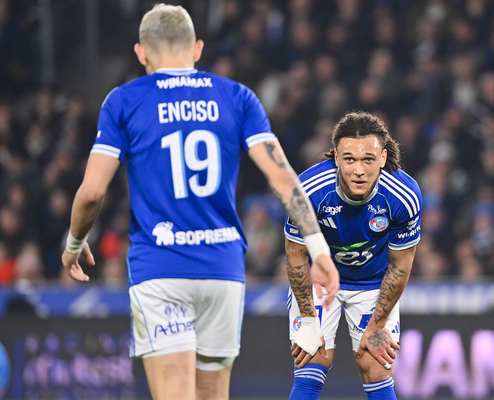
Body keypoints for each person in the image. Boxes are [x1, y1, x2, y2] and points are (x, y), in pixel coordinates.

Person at [61, 4, 339, 400]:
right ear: (197, 49)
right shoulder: (237, 97)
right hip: (222, 268)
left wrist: (74, 242)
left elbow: (91, 193)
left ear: (141, 52)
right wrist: (319, 249)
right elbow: (282, 177)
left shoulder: (124, 101)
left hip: (161, 268)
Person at [285, 111, 421, 400]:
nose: (359, 170)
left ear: (383, 158)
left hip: (374, 283)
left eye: (368, 160)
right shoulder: (306, 191)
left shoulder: (403, 196)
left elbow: (401, 265)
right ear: (336, 158)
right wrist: (308, 320)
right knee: (311, 360)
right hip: (321, 280)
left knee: (376, 367)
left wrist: (377, 325)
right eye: (349, 159)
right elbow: (295, 255)